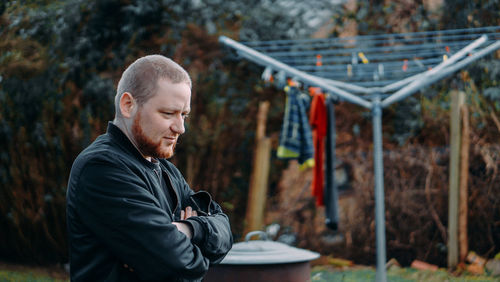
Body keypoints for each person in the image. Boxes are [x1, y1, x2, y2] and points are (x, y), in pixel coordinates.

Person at [66, 55, 233, 281]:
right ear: (128, 105)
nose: (181, 128)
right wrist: (197, 243)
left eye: (184, 115)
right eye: (168, 113)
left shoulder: (164, 169)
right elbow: (180, 267)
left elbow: (224, 231)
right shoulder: (101, 168)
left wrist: (189, 229)